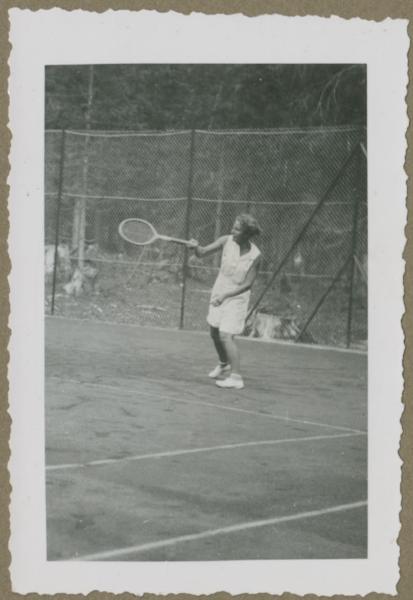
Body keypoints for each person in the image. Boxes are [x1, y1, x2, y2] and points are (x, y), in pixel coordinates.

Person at [188, 214, 261, 389]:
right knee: (214, 331)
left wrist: (226, 296)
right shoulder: (225, 240)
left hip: (237, 297)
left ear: (246, 234)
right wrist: (195, 247)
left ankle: (236, 378)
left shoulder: (256, 255)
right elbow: (202, 252)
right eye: (233, 227)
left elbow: (248, 284)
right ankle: (223, 364)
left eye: (236, 229)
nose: (232, 231)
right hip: (219, 290)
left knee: (226, 335)